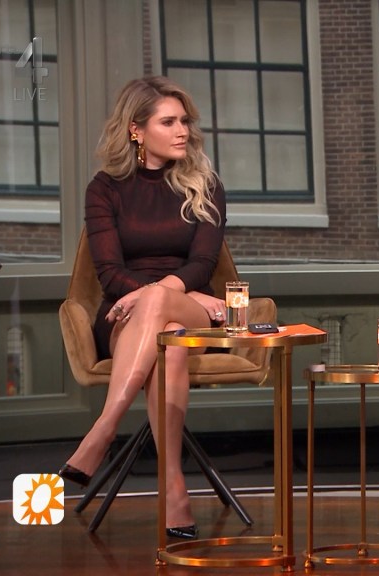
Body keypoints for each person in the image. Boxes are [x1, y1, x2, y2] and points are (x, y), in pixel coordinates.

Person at [58, 76, 228, 541]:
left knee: (164, 310)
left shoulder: (205, 185)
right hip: (126, 314)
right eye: (168, 122)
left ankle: (103, 428)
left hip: (194, 308)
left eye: (185, 121)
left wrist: (168, 293)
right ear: (136, 129)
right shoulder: (104, 189)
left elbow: (203, 263)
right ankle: (173, 487)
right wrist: (161, 297)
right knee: (169, 345)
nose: (183, 131)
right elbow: (110, 275)